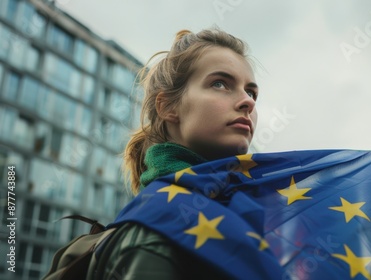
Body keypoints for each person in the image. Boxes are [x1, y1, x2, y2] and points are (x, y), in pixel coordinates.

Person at [86, 28, 264, 279]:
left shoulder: (248, 213)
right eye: (220, 83)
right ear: (169, 106)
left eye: (251, 92)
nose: (249, 102)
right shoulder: (161, 226)